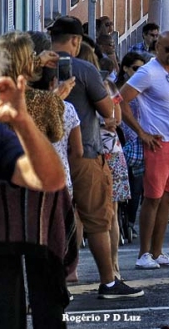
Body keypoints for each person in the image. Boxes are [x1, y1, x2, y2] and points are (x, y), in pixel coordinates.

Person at [50, 16, 144, 299]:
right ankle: (108, 281)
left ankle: (53, 284)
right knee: (97, 220)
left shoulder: (36, 67)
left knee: (50, 222)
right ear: (76, 40)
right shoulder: (84, 69)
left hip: (46, 155)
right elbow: (107, 110)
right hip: (85, 151)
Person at [0, 33, 73, 328]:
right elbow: (56, 132)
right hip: (39, 195)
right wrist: (57, 97)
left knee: (4, 283)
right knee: (46, 275)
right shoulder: (43, 100)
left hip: (3, 199)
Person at [119, 32, 169, 271]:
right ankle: (143, 254)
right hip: (158, 144)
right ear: (157, 47)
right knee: (152, 199)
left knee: (168, 200)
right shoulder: (147, 72)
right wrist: (141, 132)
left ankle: (158, 252)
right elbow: (120, 100)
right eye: (168, 49)